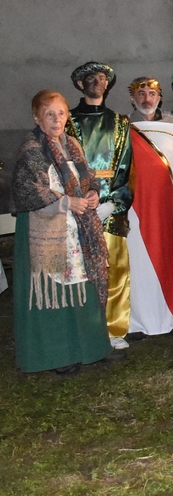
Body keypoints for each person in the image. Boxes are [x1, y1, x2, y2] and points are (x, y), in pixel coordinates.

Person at [11, 90, 116, 374]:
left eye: (60, 113)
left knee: (82, 286)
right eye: (49, 114)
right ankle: (59, 355)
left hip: (77, 231)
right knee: (54, 291)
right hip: (47, 231)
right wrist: (65, 202)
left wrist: (92, 193)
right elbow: (27, 191)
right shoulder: (32, 149)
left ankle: (90, 347)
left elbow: (88, 177)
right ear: (37, 118)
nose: (56, 119)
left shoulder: (71, 145)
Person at [66, 61, 133, 351]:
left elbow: (125, 168)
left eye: (102, 78)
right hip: (77, 208)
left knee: (114, 269)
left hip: (108, 206)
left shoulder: (120, 122)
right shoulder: (66, 121)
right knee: (78, 271)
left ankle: (113, 328)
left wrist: (113, 203)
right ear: (80, 85)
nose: (97, 82)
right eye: (90, 78)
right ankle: (81, 330)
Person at [126, 77, 173, 338]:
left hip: (166, 208)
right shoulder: (123, 127)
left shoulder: (171, 127)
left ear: (159, 98)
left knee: (168, 260)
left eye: (151, 93)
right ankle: (137, 322)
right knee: (137, 264)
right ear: (133, 98)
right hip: (135, 207)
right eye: (140, 93)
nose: (146, 98)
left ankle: (170, 318)